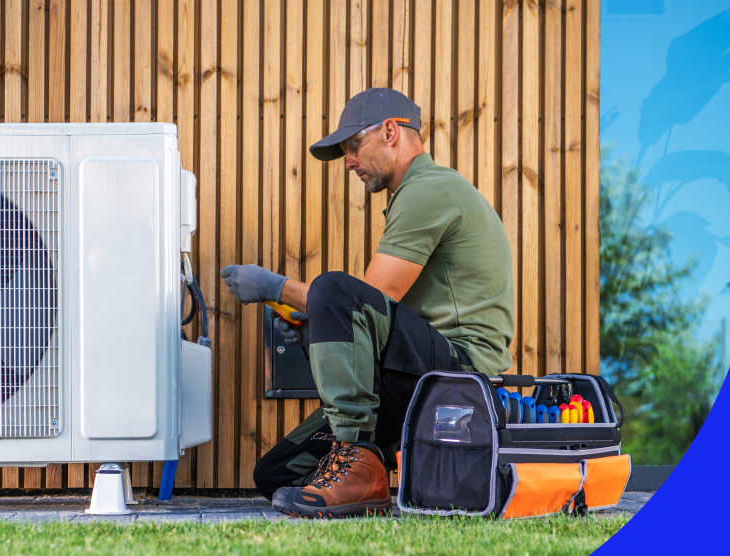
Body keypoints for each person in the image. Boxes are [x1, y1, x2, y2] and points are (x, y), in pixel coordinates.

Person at [220, 87, 514, 518]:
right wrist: (311, 324)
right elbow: (378, 321)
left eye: (354, 145)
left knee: (335, 288)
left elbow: (369, 298)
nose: (350, 161)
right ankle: (359, 467)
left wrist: (275, 287)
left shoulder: (429, 190)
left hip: (461, 373)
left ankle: (358, 459)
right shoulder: (413, 195)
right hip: (417, 373)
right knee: (277, 474)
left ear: (391, 131)